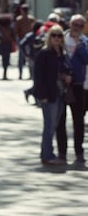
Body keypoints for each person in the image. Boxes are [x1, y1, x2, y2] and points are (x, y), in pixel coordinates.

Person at [34, 25, 72, 165]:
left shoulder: (62, 53)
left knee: (55, 124)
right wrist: (41, 94)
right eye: (54, 35)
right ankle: (47, 155)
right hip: (49, 94)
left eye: (59, 35)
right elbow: (38, 76)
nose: (57, 38)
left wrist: (68, 76)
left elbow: (67, 68)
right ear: (49, 37)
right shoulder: (44, 53)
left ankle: (49, 152)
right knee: (49, 125)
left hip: (61, 92)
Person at [56, 14, 88, 164]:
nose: (77, 28)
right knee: (60, 120)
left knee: (78, 120)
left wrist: (79, 45)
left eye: (81, 25)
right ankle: (62, 152)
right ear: (70, 24)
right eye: (75, 24)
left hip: (77, 85)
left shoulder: (85, 42)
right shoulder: (59, 37)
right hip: (61, 84)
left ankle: (79, 152)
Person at [14, 4, 35, 80]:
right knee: (29, 56)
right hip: (29, 40)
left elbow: (16, 31)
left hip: (23, 39)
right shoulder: (31, 19)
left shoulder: (19, 19)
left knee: (22, 57)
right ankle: (30, 74)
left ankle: (21, 74)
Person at [0, 14, 15, 80]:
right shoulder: (10, 27)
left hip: (2, 44)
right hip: (8, 44)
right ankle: (5, 72)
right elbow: (13, 36)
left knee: (4, 59)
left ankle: (4, 73)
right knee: (7, 59)